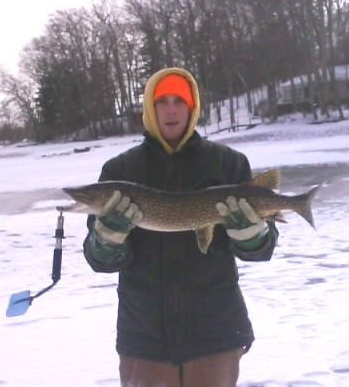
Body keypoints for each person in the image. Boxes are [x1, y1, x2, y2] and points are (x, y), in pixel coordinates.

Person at [82, 67, 279, 387]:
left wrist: (250, 236)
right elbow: (99, 261)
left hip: (215, 335)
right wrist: (107, 239)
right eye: (161, 101)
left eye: (179, 101)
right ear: (149, 108)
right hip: (145, 339)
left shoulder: (229, 164)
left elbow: (262, 250)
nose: (171, 109)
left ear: (192, 108)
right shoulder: (120, 170)